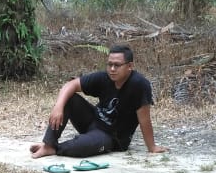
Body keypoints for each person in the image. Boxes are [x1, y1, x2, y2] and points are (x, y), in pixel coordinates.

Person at [30, 44, 168, 159]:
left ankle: (55, 149)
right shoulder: (104, 77)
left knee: (81, 147)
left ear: (130, 66)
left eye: (117, 65)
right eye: (110, 64)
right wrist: (58, 106)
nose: (112, 69)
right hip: (92, 121)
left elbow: (145, 120)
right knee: (69, 98)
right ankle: (48, 144)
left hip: (112, 137)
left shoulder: (139, 85)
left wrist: (152, 147)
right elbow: (70, 85)